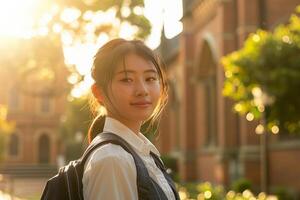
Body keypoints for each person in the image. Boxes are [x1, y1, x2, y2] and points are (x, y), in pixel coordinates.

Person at [83, 38, 179, 200]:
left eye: (150, 78)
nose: (142, 90)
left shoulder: (141, 152)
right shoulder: (112, 160)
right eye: (126, 79)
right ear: (99, 92)